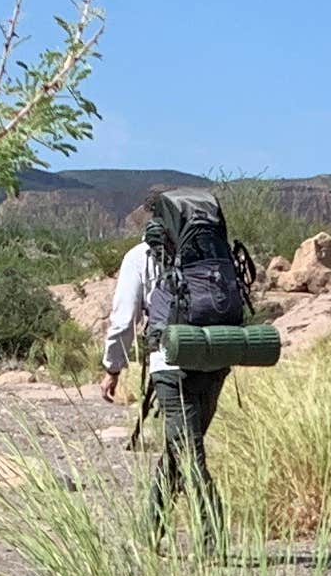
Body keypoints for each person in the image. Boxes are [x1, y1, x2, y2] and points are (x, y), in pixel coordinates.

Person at [101, 197, 238, 515]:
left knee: (187, 452)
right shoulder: (216, 252)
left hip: (170, 365)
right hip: (216, 357)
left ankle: (212, 536)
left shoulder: (140, 256)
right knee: (182, 448)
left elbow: (124, 319)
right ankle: (151, 531)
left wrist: (113, 367)